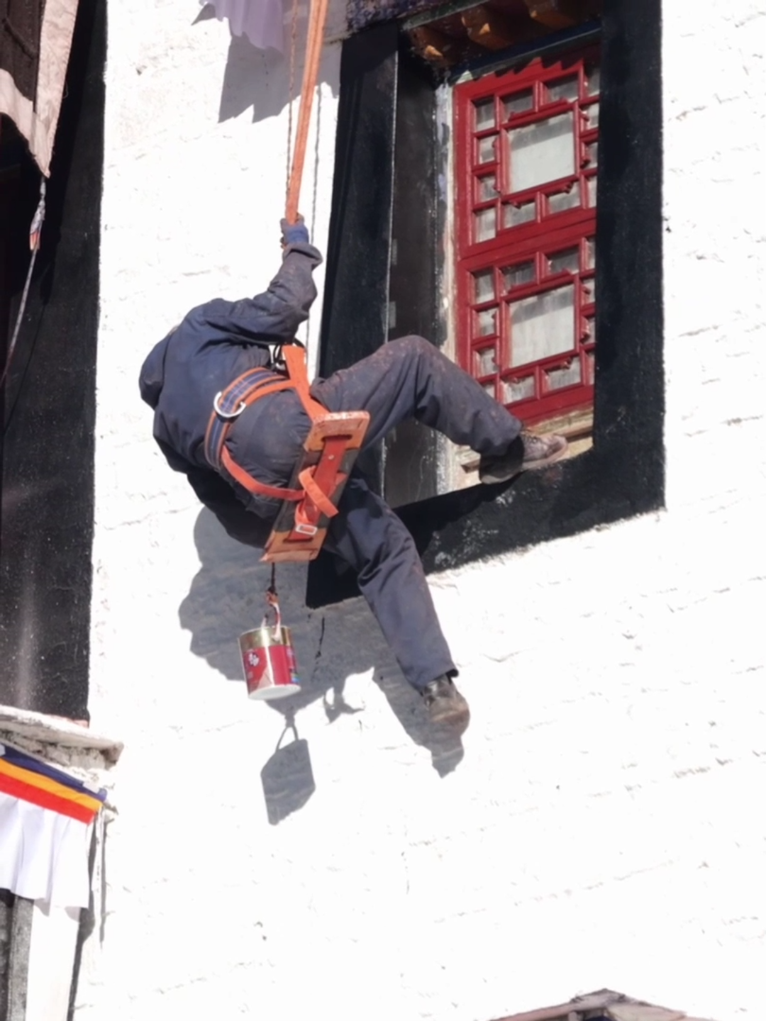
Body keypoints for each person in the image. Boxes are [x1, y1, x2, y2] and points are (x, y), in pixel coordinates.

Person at [139, 219, 567, 728]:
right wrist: (299, 249)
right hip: (287, 428)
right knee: (414, 361)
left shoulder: (165, 424)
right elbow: (285, 307)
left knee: (382, 548)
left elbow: (228, 511)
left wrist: (295, 531)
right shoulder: (196, 327)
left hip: (275, 495)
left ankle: (436, 686)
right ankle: (507, 447)